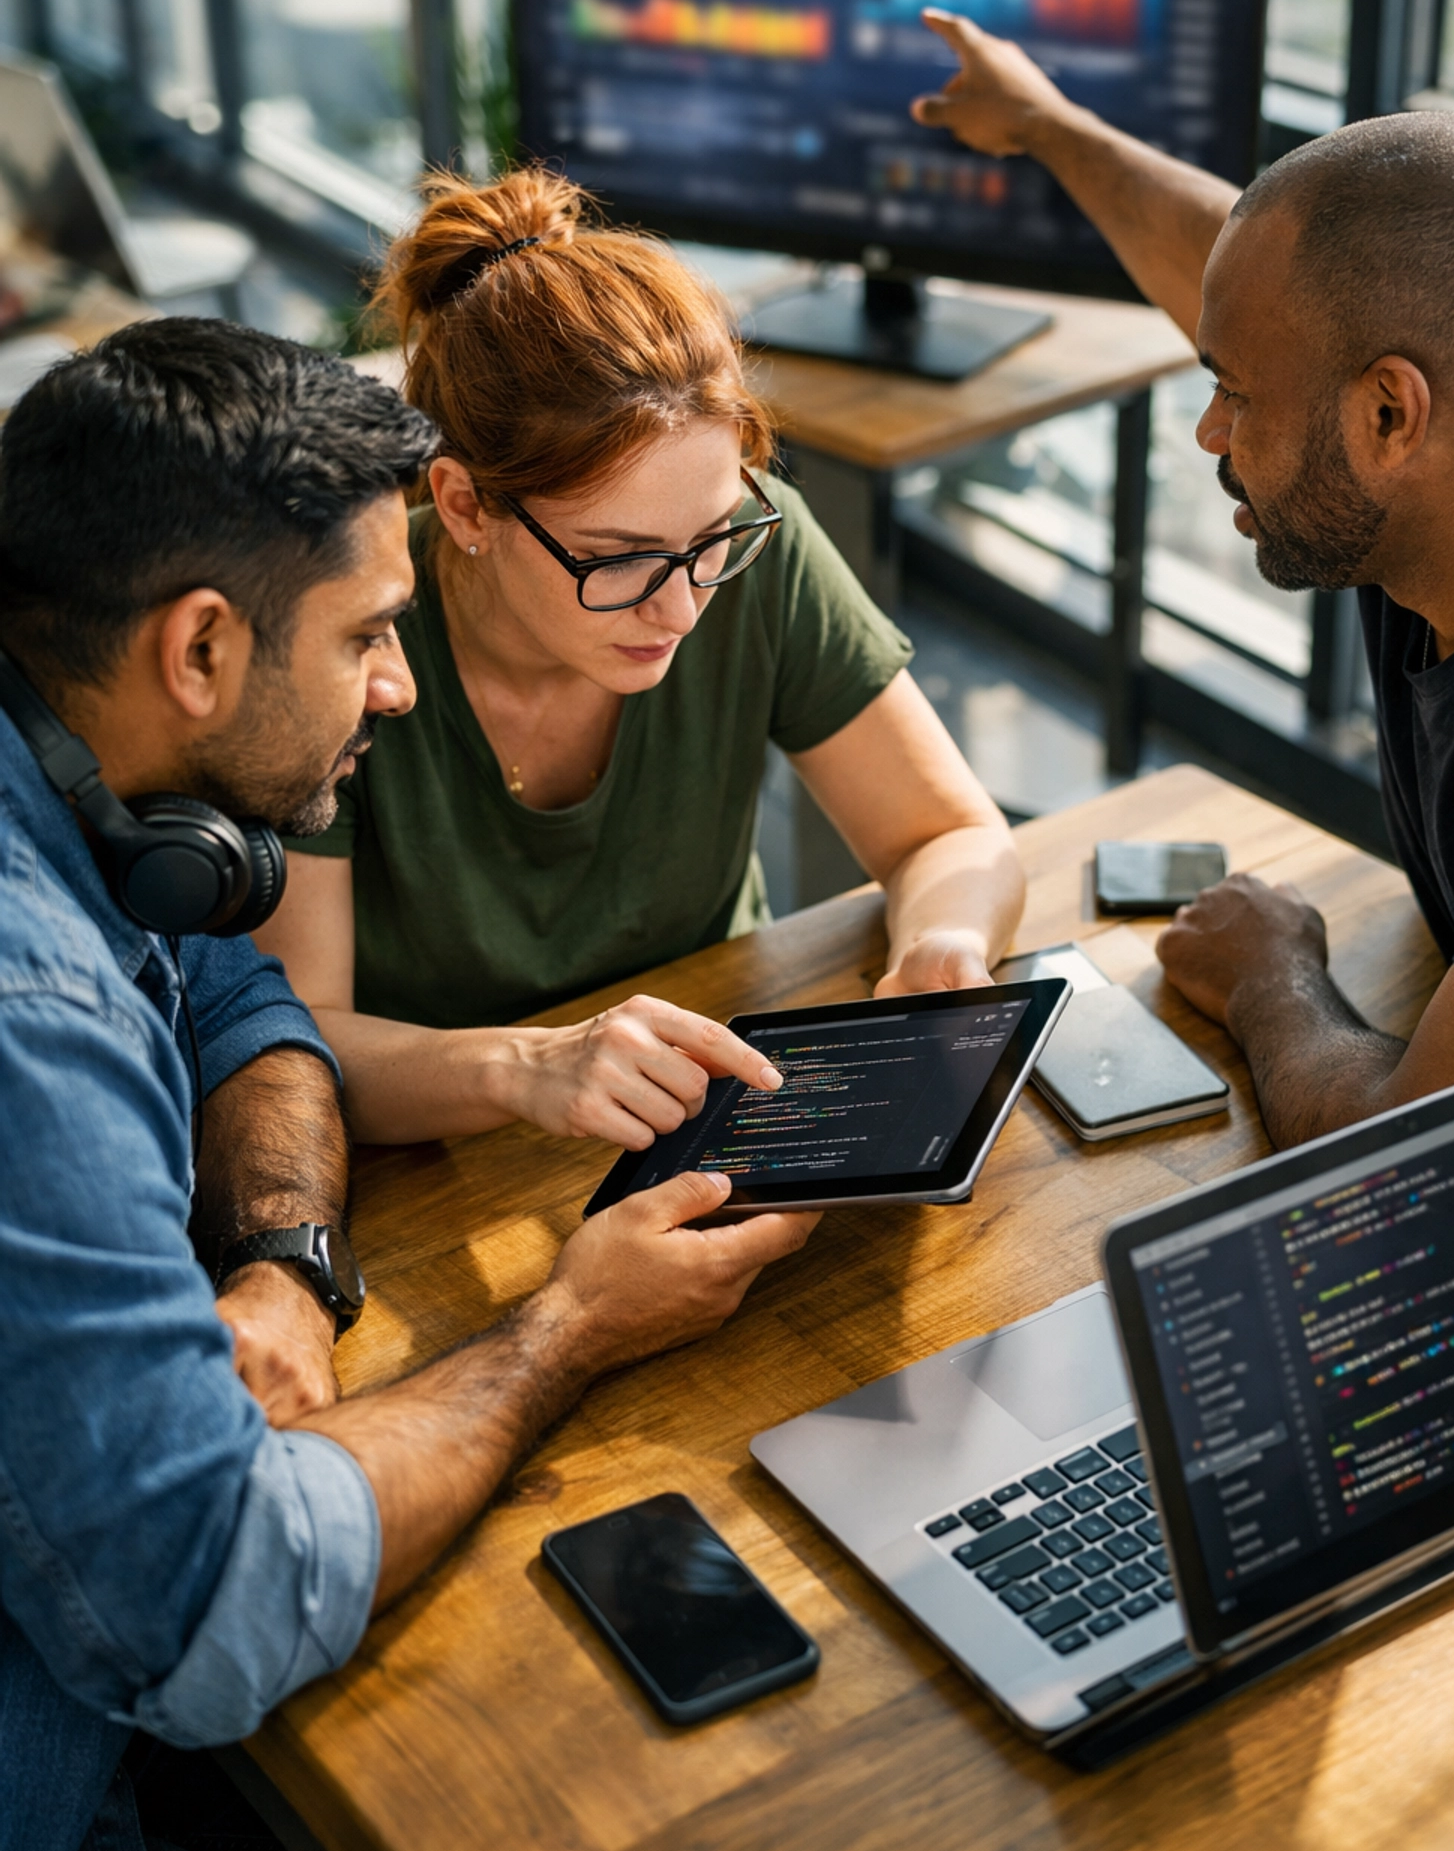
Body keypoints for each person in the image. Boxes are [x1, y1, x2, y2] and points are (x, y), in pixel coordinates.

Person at [0, 319, 816, 1851]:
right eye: (369, 636)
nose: (396, 689)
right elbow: (213, 1609)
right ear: (200, 651)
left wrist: (286, 1262)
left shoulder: (89, 778)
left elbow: (233, 986)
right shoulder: (26, 1025)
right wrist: (568, 1327)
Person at [257, 169, 1025, 1150]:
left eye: (712, 538)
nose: (682, 605)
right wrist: (531, 1067)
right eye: (616, 560)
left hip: (699, 1112)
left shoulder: (755, 553)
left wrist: (942, 942)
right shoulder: (346, 627)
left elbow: (949, 835)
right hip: (441, 1160)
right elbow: (293, 1046)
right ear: (463, 507)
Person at [912, 8, 1454, 1149]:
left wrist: (1271, 975)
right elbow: (1235, 267)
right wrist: (1046, 126)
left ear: (1391, 413)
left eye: (1235, 395)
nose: (1210, 431)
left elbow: (1420, 1163)